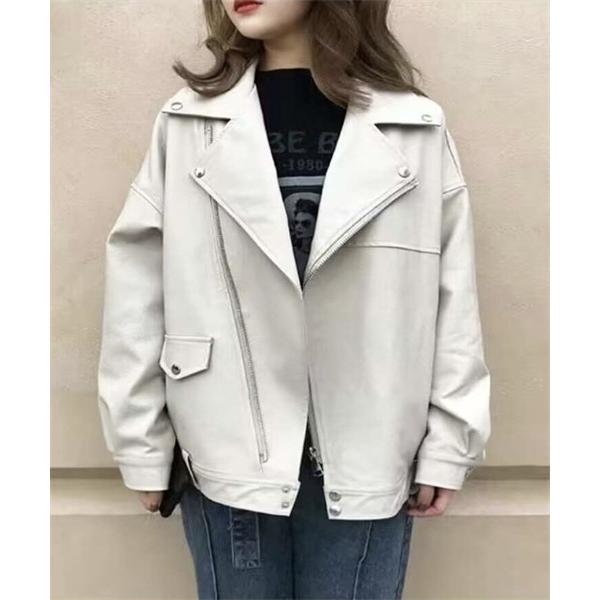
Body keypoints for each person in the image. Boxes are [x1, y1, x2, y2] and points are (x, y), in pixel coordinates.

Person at [96, 1, 491, 598]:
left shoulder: (414, 127)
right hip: (223, 444)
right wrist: (141, 445)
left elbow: (453, 295)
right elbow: (136, 286)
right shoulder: (189, 123)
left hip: (372, 444)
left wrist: (449, 444)